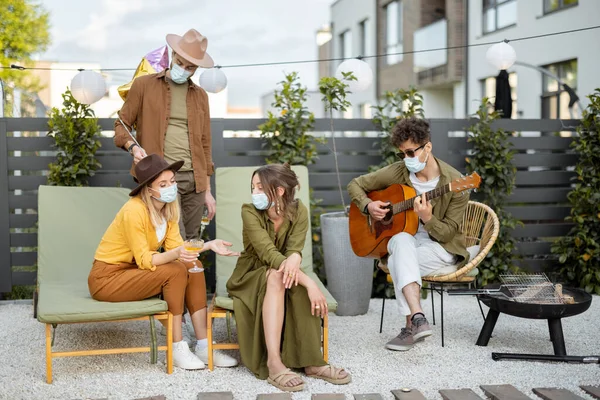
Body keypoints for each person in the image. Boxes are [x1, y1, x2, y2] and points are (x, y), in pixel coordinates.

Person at [88, 154, 239, 370]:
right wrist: (178, 253)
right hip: (107, 279)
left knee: (193, 265)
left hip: (133, 273)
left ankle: (204, 346)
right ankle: (177, 347)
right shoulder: (134, 210)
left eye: (173, 181)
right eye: (163, 184)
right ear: (149, 189)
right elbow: (145, 260)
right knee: (176, 271)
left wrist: (208, 245)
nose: (171, 187)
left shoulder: (168, 210)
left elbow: (177, 248)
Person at [347, 117, 470, 352]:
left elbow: (447, 234)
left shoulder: (456, 183)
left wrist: (427, 219)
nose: (406, 159)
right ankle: (418, 317)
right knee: (401, 240)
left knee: (397, 260)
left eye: (411, 152)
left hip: (441, 248)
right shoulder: (400, 172)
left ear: (428, 147)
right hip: (408, 244)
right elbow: (355, 184)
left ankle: (410, 326)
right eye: (402, 154)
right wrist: (368, 206)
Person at [226, 164, 351, 392]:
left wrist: (294, 257)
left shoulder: (299, 210)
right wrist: (310, 282)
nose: (254, 193)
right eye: (253, 187)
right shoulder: (249, 211)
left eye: (260, 187)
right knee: (279, 278)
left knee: (291, 282)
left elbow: (295, 247)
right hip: (251, 273)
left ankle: (312, 362)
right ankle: (274, 363)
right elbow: (267, 253)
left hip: (284, 268)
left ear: (280, 191)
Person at [114, 28, 216, 241]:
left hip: (195, 180)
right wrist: (133, 148)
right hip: (162, 178)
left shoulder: (201, 96)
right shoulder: (144, 85)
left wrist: (206, 191)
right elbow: (121, 125)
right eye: (180, 63)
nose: (183, 69)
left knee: (193, 240)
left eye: (190, 67)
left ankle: (188, 275)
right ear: (172, 55)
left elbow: (205, 144)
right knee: (173, 239)